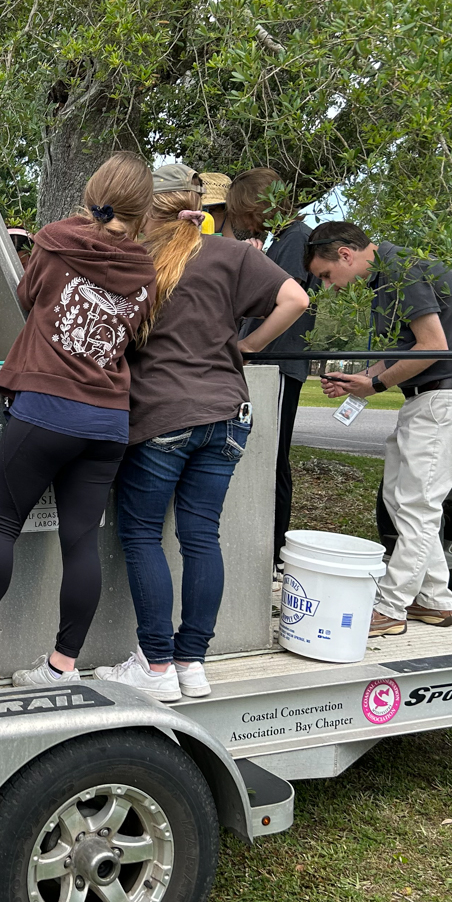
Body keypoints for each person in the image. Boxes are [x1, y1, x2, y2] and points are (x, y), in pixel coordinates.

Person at [0, 153, 157, 696]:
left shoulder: (55, 241)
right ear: (143, 210)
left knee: (2, 524)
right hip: (107, 420)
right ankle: (62, 666)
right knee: (80, 542)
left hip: (46, 409)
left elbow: (24, 299)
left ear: (91, 192)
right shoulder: (145, 269)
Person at [103, 163, 309, 701]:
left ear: (149, 208)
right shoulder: (234, 254)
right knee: (201, 537)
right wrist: (250, 345)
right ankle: (192, 663)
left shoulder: (133, 260)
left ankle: (156, 666)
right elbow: (297, 300)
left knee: (143, 535)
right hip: (227, 415)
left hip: (161, 416)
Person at [306, 222, 452, 636]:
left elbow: (433, 346)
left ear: (345, 255)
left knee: (417, 503)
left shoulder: (402, 272)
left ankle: (391, 608)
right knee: (401, 496)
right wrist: (362, 380)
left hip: (446, 397)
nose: (330, 286)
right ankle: (435, 601)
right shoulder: (391, 272)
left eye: (326, 276)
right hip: (433, 396)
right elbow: (404, 352)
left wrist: (375, 383)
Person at [225, 168, 320, 562]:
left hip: (277, 365)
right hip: (266, 365)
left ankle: (276, 547)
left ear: (256, 208)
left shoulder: (296, 238)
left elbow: (290, 299)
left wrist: (248, 346)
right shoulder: (280, 239)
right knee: (265, 454)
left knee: (274, 458)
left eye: (242, 212)